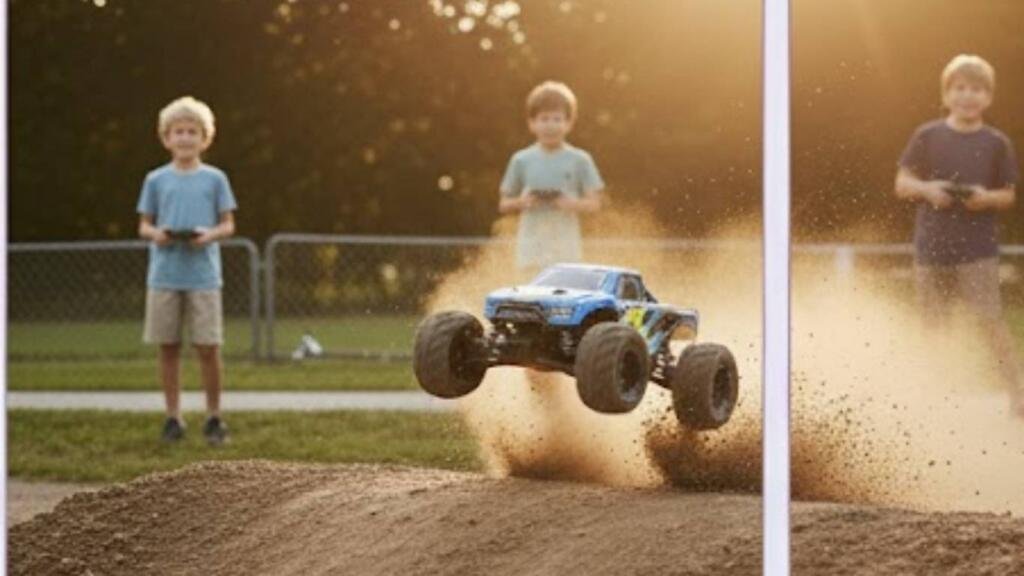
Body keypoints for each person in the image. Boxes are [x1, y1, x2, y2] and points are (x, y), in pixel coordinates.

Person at [894, 54, 1023, 417]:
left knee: (991, 322)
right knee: (932, 325)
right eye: (961, 88)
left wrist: (985, 198)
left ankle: (1018, 395)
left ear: (989, 97)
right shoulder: (927, 135)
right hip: (931, 247)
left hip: (978, 250)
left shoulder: (997, 143)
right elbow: (902, 184)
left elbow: (1009, 194)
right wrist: (928, 189)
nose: (969, 96)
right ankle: (931, 397)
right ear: (947, 94)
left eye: (978, 89)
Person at [137, 96, 238, 444]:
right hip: (164, 274)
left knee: (208, 347)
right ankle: (173, 417)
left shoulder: (215, 179)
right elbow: (144, 226)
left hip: (204, 276)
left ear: (204, 138)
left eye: (191, 131)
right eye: (178, 131)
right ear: (166, 137)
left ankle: (213, 416)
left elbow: (227, 225)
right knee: (168, 347)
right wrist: (158, 235)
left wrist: (208, 235)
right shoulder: (155, 180)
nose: (184, 138)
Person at [499, 81, 605, 278]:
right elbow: (503, 204)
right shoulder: (521, 160)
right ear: (532, 123)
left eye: (557, 119)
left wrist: (569, 203)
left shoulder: (581, 160)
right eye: (544, 119)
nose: (550, 125)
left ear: (569, 123)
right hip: (530, 251)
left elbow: (595, 204)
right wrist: (523, 202)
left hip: (566, 251)